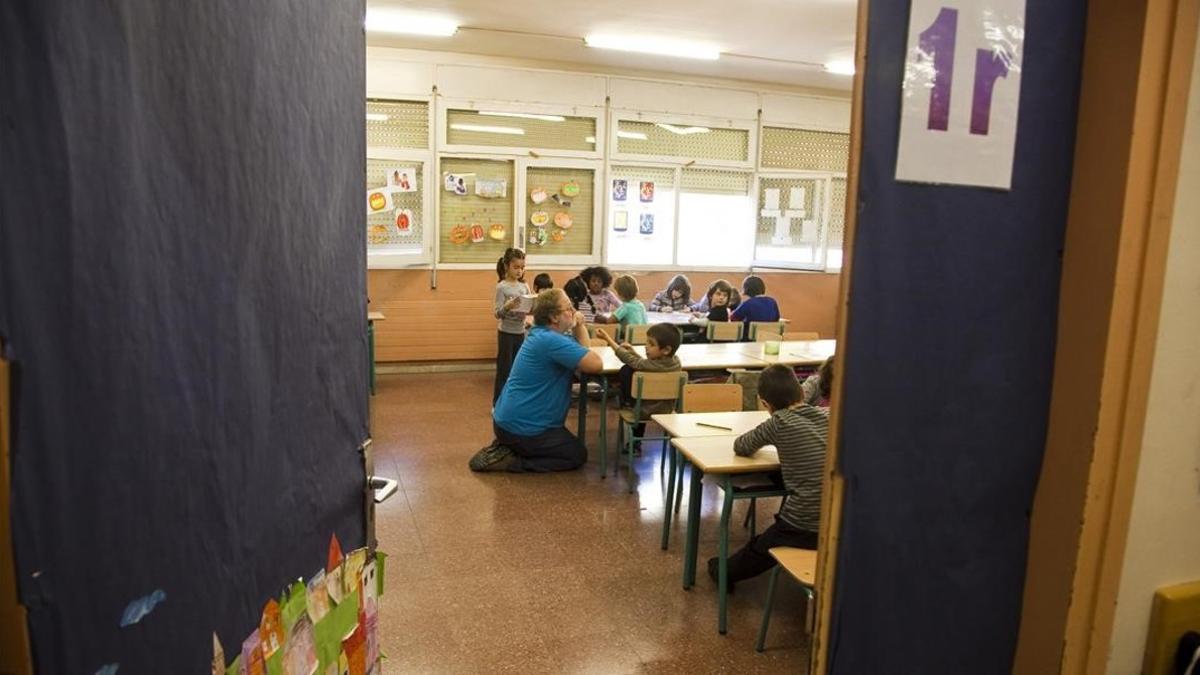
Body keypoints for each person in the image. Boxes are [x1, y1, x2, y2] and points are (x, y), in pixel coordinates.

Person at [708, 364, 829, 588]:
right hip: (838, 521)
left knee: (761, 547)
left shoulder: (778, 423)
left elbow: (742, 446)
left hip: (805, 523)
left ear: (765, 404)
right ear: (802, 393)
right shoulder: (826, 415)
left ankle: (724, 573)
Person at [469, 289, 604, 473]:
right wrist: (577, 325)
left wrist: (578, 325)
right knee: (576, 454)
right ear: (554, 317)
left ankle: (509, 447)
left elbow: (584, 350)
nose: (572, 311)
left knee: (566, 445)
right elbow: (595, 364)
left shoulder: (544, 334)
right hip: (523, 429)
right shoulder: (551, 341)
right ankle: (514, 462)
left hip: (508, 423)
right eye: (568, 308)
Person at [594, 323, 682, 437]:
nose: (646, 346)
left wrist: (607, 338)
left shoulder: (648, 365)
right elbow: (647, 365)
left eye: (651, 344)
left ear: (666, 350)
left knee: (626, 370)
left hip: (643, 412)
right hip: (667, 411)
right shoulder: (676, 362)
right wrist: (633, 352)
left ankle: (626, 403)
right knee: (638, 380)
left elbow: (629, 360)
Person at [492, 248, 529, 404]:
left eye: (522, 267)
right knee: (504, 370)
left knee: (519, 369)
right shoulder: (502, 287)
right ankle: (498, 402)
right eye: (516, 267)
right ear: (507, 266)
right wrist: (507, 306)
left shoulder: (524, 287)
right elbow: (497, 313)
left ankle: (515, 402)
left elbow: (530, 307)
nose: (519, 271)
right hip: (506, 333)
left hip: (521, 333)